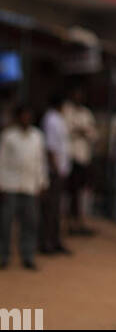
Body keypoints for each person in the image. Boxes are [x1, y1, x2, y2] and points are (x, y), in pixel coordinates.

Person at [0, 104, 48, 270]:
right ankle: (3, 255)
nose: (26, 118)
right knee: (5, 223)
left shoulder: (37, 136)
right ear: (18, 117)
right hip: (10, 185)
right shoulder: (8, 136)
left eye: (29, 115)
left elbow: (40, 162)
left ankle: (28, 256)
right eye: (23, 115)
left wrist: (42, 182)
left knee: (30, 223)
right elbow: (2, 161)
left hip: (30, 185)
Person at [62, 85, 98, 236]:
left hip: (83, 158)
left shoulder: (86, 113)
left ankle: (79, 223)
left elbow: (94, 134)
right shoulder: (66, 110)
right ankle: (68, 223)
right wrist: (79, 130)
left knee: (81, 192)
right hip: (70, 157)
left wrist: (83, 131)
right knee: (69, 193)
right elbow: (64, 130)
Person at [40, 92, 72, 257]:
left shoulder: (58, 119)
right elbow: (50, 148)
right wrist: (56, 170)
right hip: (54, 172)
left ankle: (55, 240)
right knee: (50, 209)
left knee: (58, 208)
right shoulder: (51, 120)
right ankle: (46, 243)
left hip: (61, 170)